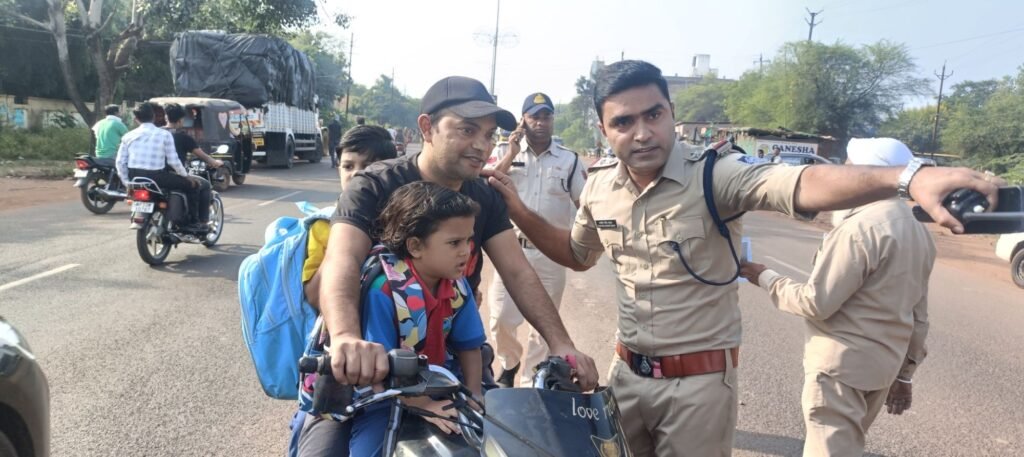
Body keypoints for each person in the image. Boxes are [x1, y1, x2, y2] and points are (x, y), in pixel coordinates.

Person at [485, 60, 998, 456]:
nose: (642, 132)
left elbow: (795, 183)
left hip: (698, 388)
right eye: (624, 121)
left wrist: (904, 178)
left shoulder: (716, 173)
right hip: (626, 378)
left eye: (653, 115)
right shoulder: (599, 187)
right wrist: (517, 209)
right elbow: (577, 255)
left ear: (671, 115)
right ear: (603, 130)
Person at [315, 75, 598, 393]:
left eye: (489, 134)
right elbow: (342, 259)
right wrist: (346, 336)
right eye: (467, 130)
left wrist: (561, 343)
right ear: (427, 128)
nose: (482, 145)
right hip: (371, 364)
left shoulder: (486, 195)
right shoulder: (373, 186)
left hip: (455, 361)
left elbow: (517, 271)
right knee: (334, 428)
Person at [738, 138, 936, 457]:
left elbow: (815, 303)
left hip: (842, 370)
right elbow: (919, 314)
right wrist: (905, 375)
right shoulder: (917, 228)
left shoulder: (860, 228)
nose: (842, 174)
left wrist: (763, 276)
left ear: (866, 173)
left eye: (848, 166)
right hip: (882, 369)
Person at [346, 181, 486, 456]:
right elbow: (380, 368)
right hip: (385, 393)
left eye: (468, 240)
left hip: (442, 382)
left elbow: (470, 346)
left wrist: (475, 394)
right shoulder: (384, 292)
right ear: (415, 246)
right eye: (454, 242)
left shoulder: (458, 285)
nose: (466, 251)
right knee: (370, 450)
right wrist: (424, 405)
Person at [485, 92, 586, 387]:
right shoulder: (505, 151)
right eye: (534, 117)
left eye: (546, 116)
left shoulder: (569, 160)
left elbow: (584, 205)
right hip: (511, 249)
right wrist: (511, 153)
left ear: (553, 120)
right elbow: (486, 185)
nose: (541, 122)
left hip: (551, 254)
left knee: (544, 326)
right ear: (523, 121)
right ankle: (509, 363)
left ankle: (531, 383)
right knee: (501, 317)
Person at [115, 102, 208, 231]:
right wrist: (186, 176)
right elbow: (173, 161)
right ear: (153, 117)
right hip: (157, 177)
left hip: (134, 177)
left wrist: (127, 182)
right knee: (193, 185)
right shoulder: (164, 135)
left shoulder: (128, 136)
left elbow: (120, 162)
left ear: (136, 119)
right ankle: (193, 222)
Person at [162, 103, 220, 227]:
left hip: (156, 175)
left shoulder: (158, 133)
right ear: (180, 120)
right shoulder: (183, 137)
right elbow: (202, 156)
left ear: (166, 117)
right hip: (174, 175)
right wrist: (215, 162)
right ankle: (199, 221)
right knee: (204, 185)